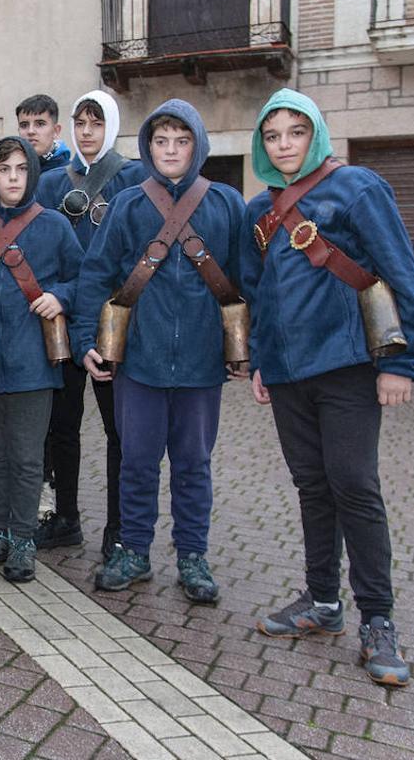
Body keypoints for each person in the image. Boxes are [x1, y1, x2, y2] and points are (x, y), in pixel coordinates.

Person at [241, 88, 414, 687]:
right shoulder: (258, 211)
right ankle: (322, 602)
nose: (285, 144)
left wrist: (403, 362)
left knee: (355, 487)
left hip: (347, 366)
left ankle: (378, 619)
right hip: (290, 374)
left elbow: (399, 273)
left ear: (315, 134)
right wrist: (263, 362)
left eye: (296, 132)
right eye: (273, 136)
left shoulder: (359, 188)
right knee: (312, 486)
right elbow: (260, 294)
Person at [73, 99, 244, 604]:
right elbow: (96, 275)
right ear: (147, 147)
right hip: (139, 362)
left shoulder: (226, 204)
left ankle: (193, 557)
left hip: (200, 364)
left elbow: (244, 281)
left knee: (193, 464)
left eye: (182, 140)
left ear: (198, 145)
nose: (170, 150)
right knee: (137, 462)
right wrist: (87, 339)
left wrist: (245, 348)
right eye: (161, 141)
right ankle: (134, 551)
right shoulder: (127, 203)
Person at [0, 136, 82, 583]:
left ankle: (24, 538)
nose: (12, 177)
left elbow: (80, 277)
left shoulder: (54, 225)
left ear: (31, 174)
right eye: (3, 169)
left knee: (28, 456)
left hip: (33, 358)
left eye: (20, 169)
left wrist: (59, 297)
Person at [33, 91, 146, 558]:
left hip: (113, 320)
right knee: (61, 426)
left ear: (112, 126)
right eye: (80, 122)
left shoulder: (134, 178)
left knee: (120, 430)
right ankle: (66, 517)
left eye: (96, 123)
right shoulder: (51, 183)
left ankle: (118, 528)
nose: (86, 131)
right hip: (63, 318)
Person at [16, 94, 73, 174]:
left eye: (40, 124)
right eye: (24, 125)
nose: (30, 131)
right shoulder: (12, 174)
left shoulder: (70, 177)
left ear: (56, 131)